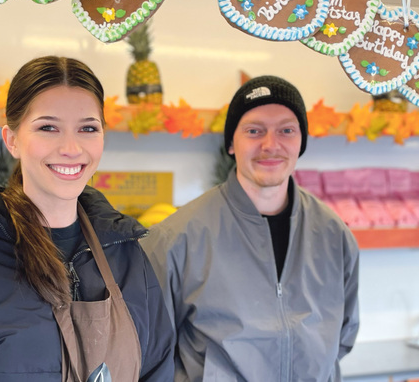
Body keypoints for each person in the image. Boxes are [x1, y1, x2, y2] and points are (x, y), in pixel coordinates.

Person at [0, 56, 174, 382]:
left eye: (88, 128)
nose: (71, 147)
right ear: (12, 140)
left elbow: (158, 370)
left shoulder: (125, 250)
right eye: (48, 127)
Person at [142, 75, 360, 382]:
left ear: (301, 142)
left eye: (286, 130)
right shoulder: (177, 238)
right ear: (231, 143)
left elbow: (343, 336)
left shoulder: (334, 235)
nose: (271, 145)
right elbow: (151, 353)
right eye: (254, 131)